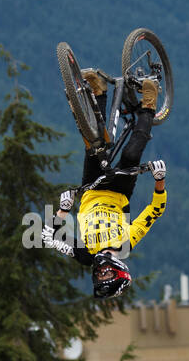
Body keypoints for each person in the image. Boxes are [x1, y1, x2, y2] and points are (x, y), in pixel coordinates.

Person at [42, 71, 166, 298]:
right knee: (131, 154)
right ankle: (149, 104)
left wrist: (62, 210)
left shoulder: (85, 255)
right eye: (107, 276)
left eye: (99, 277)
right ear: (121, 272)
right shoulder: (126, 243)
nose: (102, 273)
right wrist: (159, 179)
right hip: (119, 191)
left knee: (93, 144)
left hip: (90, 189)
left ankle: (98, 92)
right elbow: (155, 210)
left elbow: (48, 237)